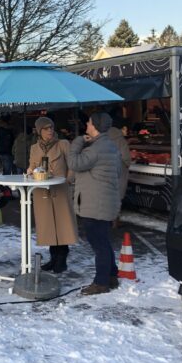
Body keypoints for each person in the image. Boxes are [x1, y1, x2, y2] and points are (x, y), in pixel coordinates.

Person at [67, 111, 122, 296]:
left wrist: (78, 141)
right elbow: (119, 172)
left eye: (90, 123)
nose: (87, 126)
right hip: (105, 202)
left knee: (99, 244)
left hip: (94, 204)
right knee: (104, 241)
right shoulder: (111, 147)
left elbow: (74, 162)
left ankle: (100, 283)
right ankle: (112, 276)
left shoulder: (94, 149)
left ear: (96, 126)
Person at [27, 116, 78, 273]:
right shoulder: (34, 148)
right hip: (42, 192)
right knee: (48, 226)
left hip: (61, 190)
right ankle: (53, 258)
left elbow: (73, 165)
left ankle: (61, 259)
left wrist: (68, 181)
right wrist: (30, 171)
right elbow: (32, 166)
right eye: (46, 128)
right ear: (39, 131)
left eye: (51, 127)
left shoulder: (63, 144)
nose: (50, 131)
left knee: (62, 225)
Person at [107, 116, 132, 219]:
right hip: (118, 171)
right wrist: (127, 164)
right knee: (117, 195)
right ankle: (115, 220)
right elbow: (126, 158)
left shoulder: (103, 137)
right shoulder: (121, 140)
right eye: (126, 129)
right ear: (122, 128)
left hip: (106, 170)